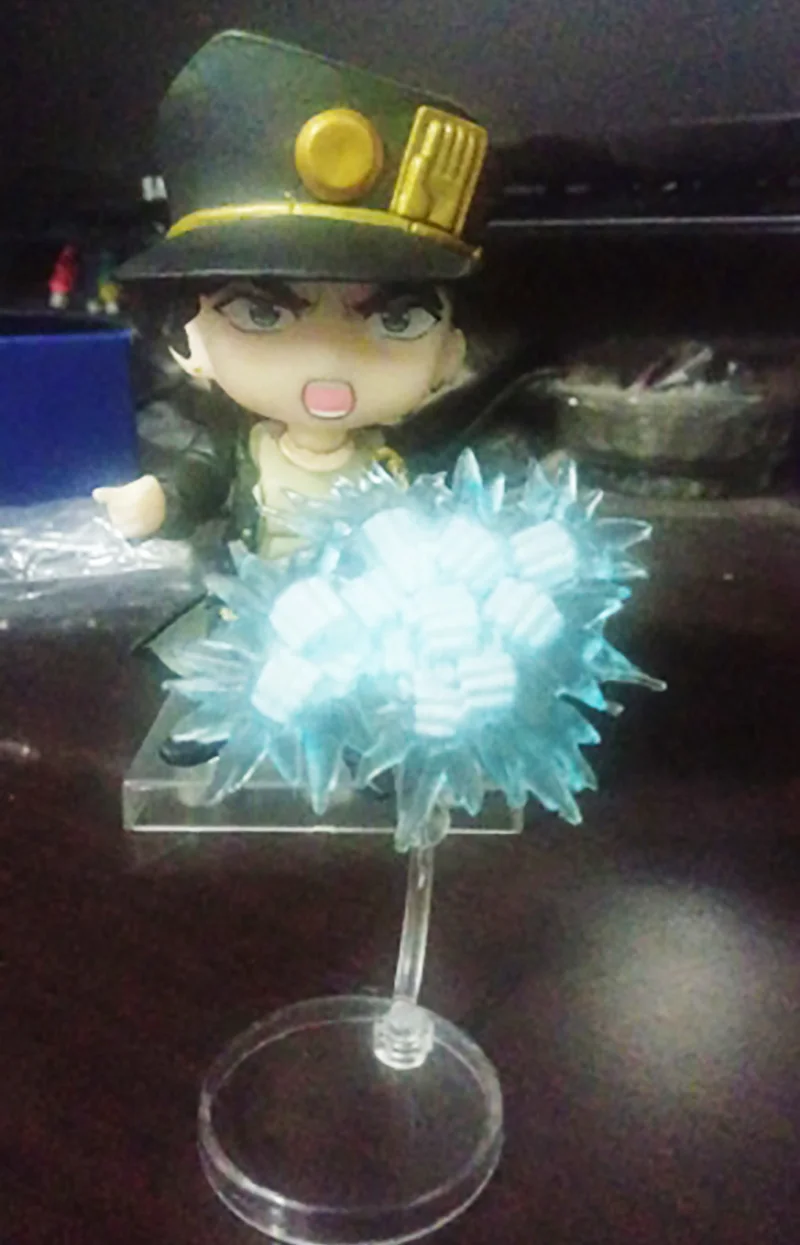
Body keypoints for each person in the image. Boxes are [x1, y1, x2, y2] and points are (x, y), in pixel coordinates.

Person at [94, 30, 490, 557]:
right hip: (260, 601)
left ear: (449, 355)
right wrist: (163, 503)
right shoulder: (244, 451)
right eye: (262, 314)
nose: (329, 359)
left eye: (396, 322)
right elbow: (202, 480)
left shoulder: (396, 456)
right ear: (191, 342)